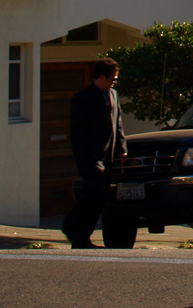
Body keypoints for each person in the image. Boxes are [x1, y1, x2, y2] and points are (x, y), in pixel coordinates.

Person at [62, 58, 126, 248]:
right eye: (112, 79)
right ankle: (72, 227)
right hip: (91, 158)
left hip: (108, 157)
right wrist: (87, 159)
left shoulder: (113, 95)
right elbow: (78, 132)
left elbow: (118, 125)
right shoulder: (83, 98)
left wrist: (122, 149)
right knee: (90, 195)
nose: (114, 83)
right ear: (101, 77)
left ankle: (82, 237)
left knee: (98, 199)